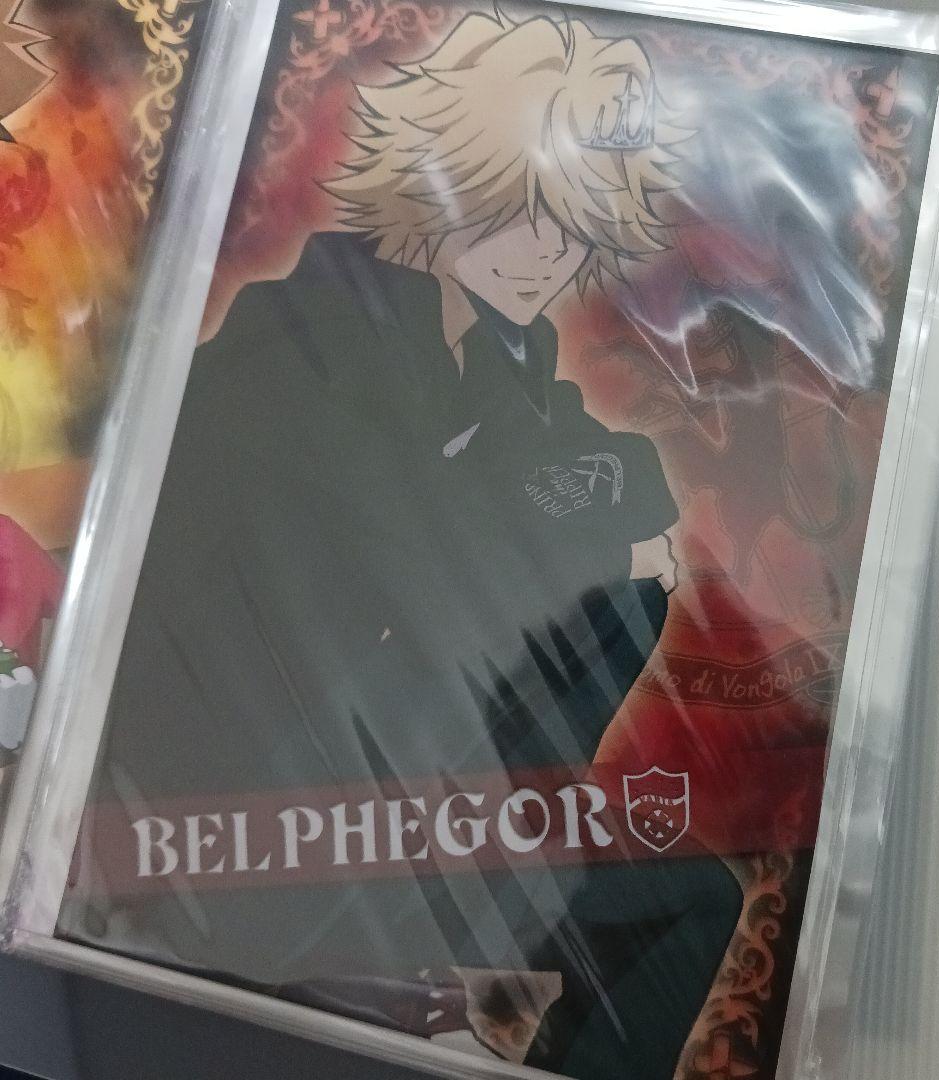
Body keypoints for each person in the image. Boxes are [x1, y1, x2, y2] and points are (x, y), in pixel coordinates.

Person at [59, 11, 743, 1078]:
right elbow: (425, 560)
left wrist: (558, 517)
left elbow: (623, 474)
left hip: (417, 800)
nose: (546, 253)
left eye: (573, 229)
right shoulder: (308, 334)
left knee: (692, 895)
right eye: (521, 212)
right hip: (240, 829)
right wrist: (577, 532)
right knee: (606, 606)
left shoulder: (500, 353)